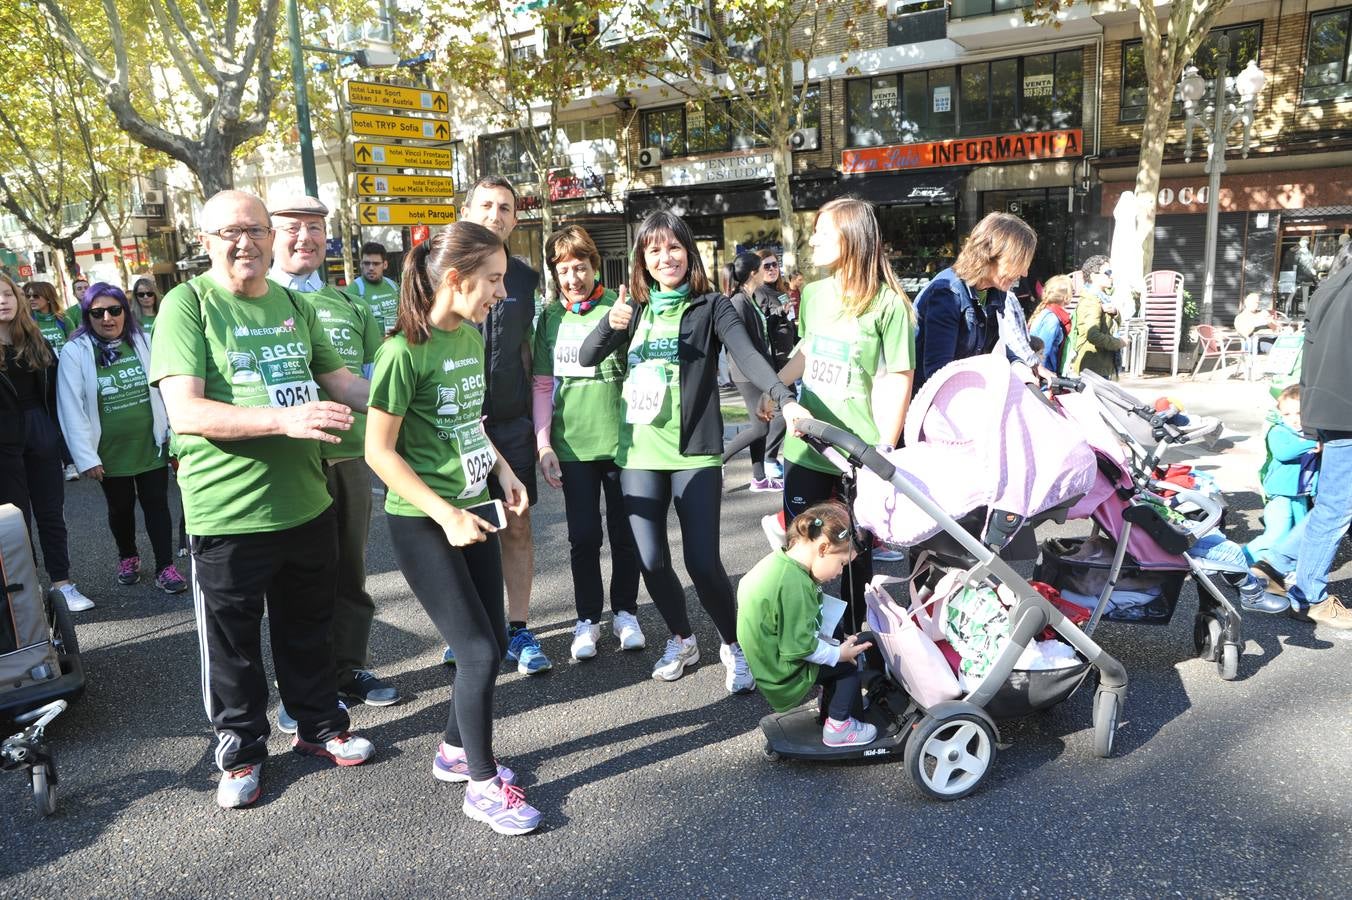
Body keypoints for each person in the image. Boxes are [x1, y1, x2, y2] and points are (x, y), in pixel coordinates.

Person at [151, 189, 376, 809]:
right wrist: (285, 421)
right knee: (234, 646)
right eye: (229, 232)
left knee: (309, 627)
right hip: (228, 512)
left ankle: (319, 728)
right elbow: (186, 410)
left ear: (270, 237)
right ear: (205, 241)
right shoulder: (186, 304)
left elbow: (347, 384)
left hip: (306, 502)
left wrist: (416, 388)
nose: (244, 242)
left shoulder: (291, 306)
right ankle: (242, 752)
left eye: (254, 230)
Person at [578, 210, 805, 690]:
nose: (666, 257)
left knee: (702, 562)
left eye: (674, 247)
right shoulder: (632, 307)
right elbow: (586, 357)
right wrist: (608, 325)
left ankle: (733, 643)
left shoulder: (712, 306)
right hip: (638, 452)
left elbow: (746, 354)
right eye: (655, 249)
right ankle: (682, 638)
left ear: (689, 251)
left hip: (695, 453)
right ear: (643, 258)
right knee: (652, 561)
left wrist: (783, 397)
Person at [365, 222, 541, 836]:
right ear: (455, 279)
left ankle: (454, 750)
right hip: (423, 523)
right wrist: (444, 514)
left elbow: (471, 423)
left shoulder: (468, 337)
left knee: (490, 640)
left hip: (474, 512)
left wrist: (504, 471)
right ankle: (483, 787)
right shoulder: (401, 353)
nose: (501, 292)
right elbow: (379, 453)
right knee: (475, 652)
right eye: (493, 280)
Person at [269, 195, 397, 721]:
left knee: (350, 571)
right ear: (271, 236)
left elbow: (371, 383)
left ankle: (348, 668)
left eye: (317, 227)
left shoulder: (352, 305)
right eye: (293, 228)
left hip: (347, 458)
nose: (307, 237)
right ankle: (303, 686)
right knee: (294, 580)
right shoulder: (259, 300)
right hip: (286, 461)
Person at [767, 198, 915, 629]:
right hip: (806, 444)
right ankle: (801, 634)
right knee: (801, 550)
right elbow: (808, 349)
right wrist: (776, 386)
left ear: (852, 238)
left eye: (823, 233)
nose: (812, 240)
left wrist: (883, 450)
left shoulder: (889, 304)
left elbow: (897, 377)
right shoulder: (812, 294)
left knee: (853, 557)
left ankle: (855, 642)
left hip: (856, 455)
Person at [531, 226, 644, 661]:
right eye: (564, 270)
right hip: (572, 447)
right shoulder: (550, 319)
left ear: (595, 266)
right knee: (583, 537)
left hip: (623, 444)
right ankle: (586, 620)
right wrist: (543, 444)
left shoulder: (620, 309)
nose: (573, 277)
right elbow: (542, 386)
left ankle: (626, 613)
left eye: (580, 267)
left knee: (625, 534)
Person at [459, 176, 550, 674]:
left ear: (516, 218)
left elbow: (528, 355)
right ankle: (470, 628)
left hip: (510, 424)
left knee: (517, 525)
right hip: (454, 424)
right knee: (465, 529)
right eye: (487, 205)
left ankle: (519, 629)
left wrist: (540, 436)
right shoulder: (438, 268)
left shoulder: (525, 278)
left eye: (506, 207)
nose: (496, 214)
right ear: (468, 209)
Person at [55, 283, 184, 594]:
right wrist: (85, 457)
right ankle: (128, 556)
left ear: (125, 312)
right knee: (121, 507)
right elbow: (70, 406)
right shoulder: (76, 351)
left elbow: (166, 388)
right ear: (87, 316)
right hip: (108, 450)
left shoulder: (143, 340)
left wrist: (174, 434)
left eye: (114, 310)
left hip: (150, 441)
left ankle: (165, 566)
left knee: (157, 504)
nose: (107, 318)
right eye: (97, 313)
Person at [736, 501, 876, 746]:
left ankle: (832, 708)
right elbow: (800, 648)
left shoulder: (780, 563)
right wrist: (837, 654)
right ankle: (838, 727)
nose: (840, 572)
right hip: (781, 671)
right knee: (847, 668)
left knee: (839, 639)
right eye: (842, 564)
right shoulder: (795, 586)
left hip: (768, 656)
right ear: (823, 548)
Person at [0, 273, 94, 612]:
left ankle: (63, 584)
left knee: (51, 514)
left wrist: (66, 445)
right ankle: (25, 593)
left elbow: (58, 396)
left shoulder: (36, 339)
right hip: (4, 442)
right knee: (15, 521)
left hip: (40, 431)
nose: (3, 300)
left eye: (8, 293)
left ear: (18, 299)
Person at [1277, 242, 1352, 628]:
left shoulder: (1328, 288)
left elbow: (1308, 353)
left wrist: (1310, 421)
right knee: (1338, 507)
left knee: (1334, 504)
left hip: (1327, 405)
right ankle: (1309, 594)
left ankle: (1275, 565)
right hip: (1346, 410)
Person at [913, 212, 1040, 392]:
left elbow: (994, 343)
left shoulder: (995, 291)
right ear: (990, 254)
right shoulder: (948, 293)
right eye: (1019, 262)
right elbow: (938, 373)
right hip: (928, 405)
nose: (1025, 272)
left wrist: (1018, 365)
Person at [722, 252, 786, 492]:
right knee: (761, 427)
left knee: (764, 423)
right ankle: (720, 460)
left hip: (758, 370)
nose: (766, 271)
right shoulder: (738, 301)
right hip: (747, 373)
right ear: (752, 273)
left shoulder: (749, 298)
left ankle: (759, 478)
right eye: (762, 268)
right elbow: (740, 343)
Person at [1247, 385, 1318, 559]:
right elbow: (1284, 453)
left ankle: (1284, 566)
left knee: (1298, 534)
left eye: (1299, 413)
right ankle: (1241, 559)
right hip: (1280, 494)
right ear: (1280, 414)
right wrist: (1313, 444)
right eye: (1287, 414)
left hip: (1301, 493)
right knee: (1276, 534)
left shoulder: (1311, 434)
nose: (1293, 419)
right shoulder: (1279, 431)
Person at [1063, 256, 1124, 378]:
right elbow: (1093, 335)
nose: (1111, 276)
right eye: (1108, 273)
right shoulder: (1091, 300)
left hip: (1100, 365)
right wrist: (1119, 342)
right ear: (1093, 276)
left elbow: (1112, 325)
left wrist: (1115, 312)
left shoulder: (1102, 298)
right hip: (1093, 367)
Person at [346, 241, 400, 335]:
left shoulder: (393, 286)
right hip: (371, 348)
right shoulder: (354, 290)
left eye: (376, 264)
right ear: (361, 264)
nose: (371, 268)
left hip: (394, 344)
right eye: (366, 263)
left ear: (385, 264)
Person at [1028, 274, 1073, 374]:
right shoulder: (1052, 318)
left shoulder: (1046, 311)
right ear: (1066, 297)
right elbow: (1043, 352)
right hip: (1045, 376)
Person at [25, 282, 72, 355]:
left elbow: (74, 346)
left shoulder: (64, 320)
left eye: (35, 296)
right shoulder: (27, 322)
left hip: (64, 363)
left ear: (48, 298)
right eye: (28, 296)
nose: (31, 299)